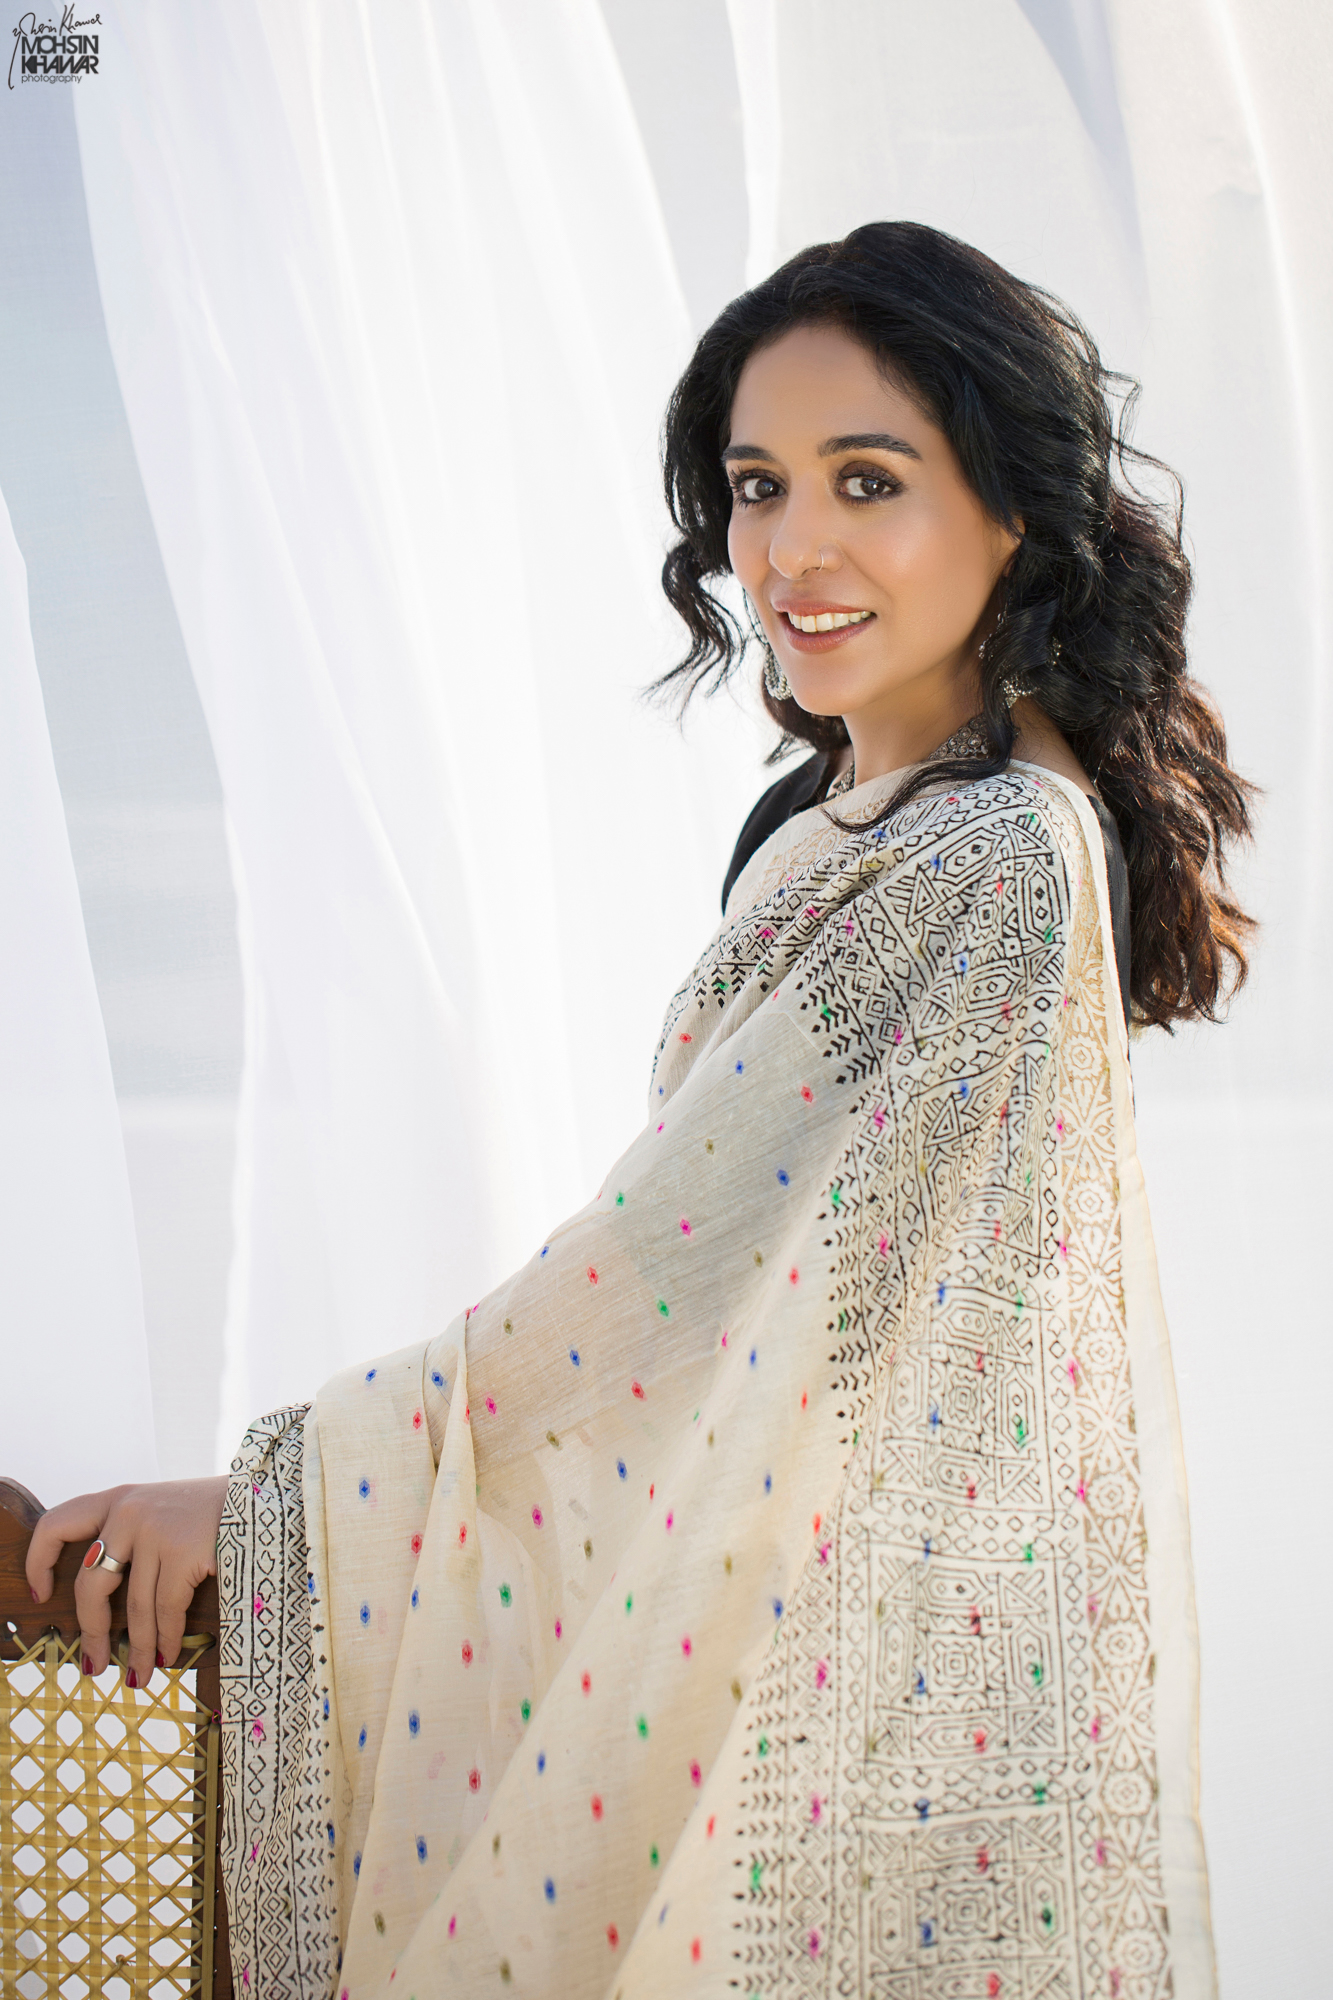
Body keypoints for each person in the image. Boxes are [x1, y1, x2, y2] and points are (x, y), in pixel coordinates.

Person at [28, 221, 1253, 1998]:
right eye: (758, 487)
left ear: (1011, 510)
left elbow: (663, 1308)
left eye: (867, 480)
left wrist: (277, 1502)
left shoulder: (988, 856)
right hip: (772, 1629)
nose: (793, 550)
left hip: (825, 1695)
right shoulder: (861, 817)